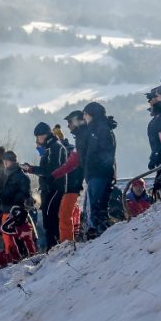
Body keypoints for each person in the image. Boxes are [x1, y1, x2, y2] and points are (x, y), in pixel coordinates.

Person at [23, 122, 68, 249]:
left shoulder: (55, 147)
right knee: (49, 221)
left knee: (51, 221)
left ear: (45, 135)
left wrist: (32, 169)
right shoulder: (50, 148)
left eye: (38, 136)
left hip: (54, 189)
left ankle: (54, 248)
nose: (37, 140)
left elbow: (51, 170)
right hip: (48, 189)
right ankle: (53, 247)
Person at [81, 102, 118, 238]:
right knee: (94, 207)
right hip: (96, 174)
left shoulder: (101, 129)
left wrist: (96, 168)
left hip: (100, 174)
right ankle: (96, 232)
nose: (84, 117)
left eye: (85, 113)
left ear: (91, 114)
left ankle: (99, 234)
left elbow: (105, 153)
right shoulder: (96, 129)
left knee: (97, 207)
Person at [53, 111, 86, 241]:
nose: (68, 126)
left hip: (72, 186)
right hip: (72, 185)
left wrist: (54, 175)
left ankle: (67, 242)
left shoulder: (77, 142)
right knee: (69, 214)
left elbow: (72, 162)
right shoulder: (77, 141)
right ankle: (71, 239)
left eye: (70, 122)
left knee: (65, 216)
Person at [0, 151, 37, 261]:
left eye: (6, 161)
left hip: (16, 211)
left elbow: (24, 193)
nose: (5, 163)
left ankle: (22, 256)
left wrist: (12, 200)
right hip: (7, 209)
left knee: (18, 235)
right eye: (4, 161)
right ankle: (14, 257)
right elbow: (8, 192)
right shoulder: (8, 174)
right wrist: (1, 197)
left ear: (12, 161)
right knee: (8, 236)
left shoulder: (20, 176)